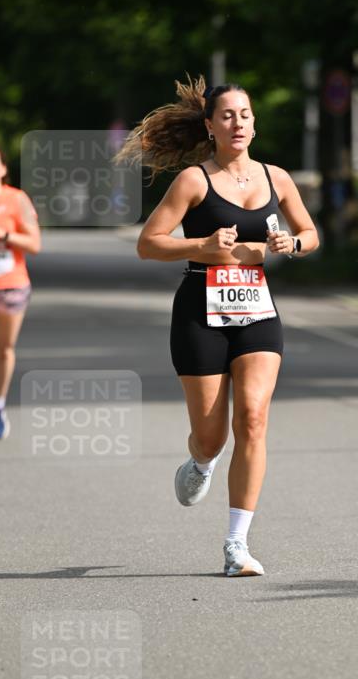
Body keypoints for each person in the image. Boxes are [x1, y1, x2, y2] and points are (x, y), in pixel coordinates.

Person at [118, 77, 319, 576]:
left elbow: (311, 233)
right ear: (209, 125)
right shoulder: (193, 180)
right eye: (227, 115)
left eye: (245, 114)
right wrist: (201, 246)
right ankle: (200, 462)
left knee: (252, 419)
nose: (238, 123)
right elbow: (149, 243)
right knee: (211, 437)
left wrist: (291, 246)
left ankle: (236, 545)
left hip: (257, 311)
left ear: (254, 123)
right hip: (199, 311)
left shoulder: (278, 178)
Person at [0, 146, 41, 440]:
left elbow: (34, 244)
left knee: (4, 349)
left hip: (11, 283)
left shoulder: (16, 200)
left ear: (2, 169)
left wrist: (2, 235)